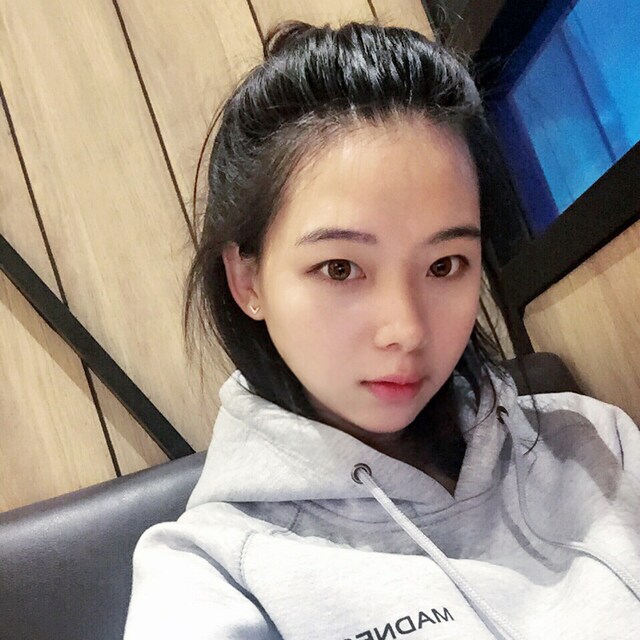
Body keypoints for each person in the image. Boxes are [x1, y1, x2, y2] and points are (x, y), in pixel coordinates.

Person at [123, 20, 640, 640]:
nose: (406, 330)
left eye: (444, 265)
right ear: (248, 281)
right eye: (340, 268)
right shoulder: (212, 573)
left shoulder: (593, 442)